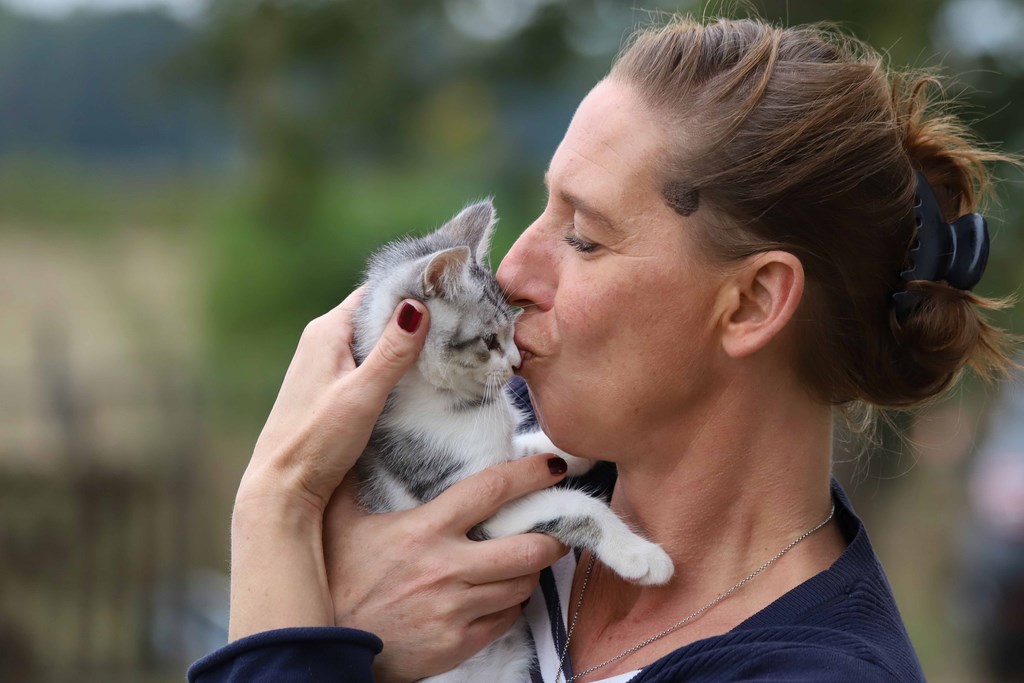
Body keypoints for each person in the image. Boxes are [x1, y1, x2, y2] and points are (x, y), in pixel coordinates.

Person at [188, 15, 1016, 683]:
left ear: (752, 302)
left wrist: (277, 510)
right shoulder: (505, 453)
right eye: (540, 211)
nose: (512, 270)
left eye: (583, 237)